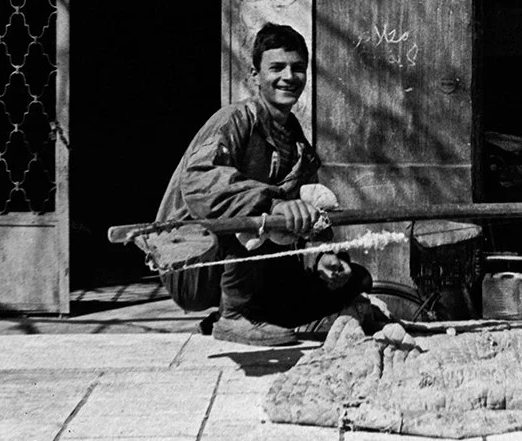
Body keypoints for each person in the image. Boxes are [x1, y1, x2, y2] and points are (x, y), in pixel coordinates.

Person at [155, 22, 378, 347]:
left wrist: (323, 257)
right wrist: (272, 204)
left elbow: (311, 220)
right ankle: (232, 318)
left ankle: (242, 316)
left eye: (298, 68)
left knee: (354, 280)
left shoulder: (298, 147)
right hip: (193, 258)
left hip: (251, 266)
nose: (289, 77)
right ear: (255, 75)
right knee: (256, 217)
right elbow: (200, 184)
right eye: (276, 67)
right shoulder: (234, 120)